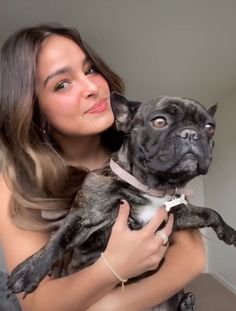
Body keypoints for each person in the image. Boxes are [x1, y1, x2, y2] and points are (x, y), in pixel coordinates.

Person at [0, 24, 205, 311]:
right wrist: (112, 267)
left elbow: (192, 257)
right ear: (35, 111)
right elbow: (37, 302)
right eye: (62, 84)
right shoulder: (14, 182)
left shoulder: (141, 144)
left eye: (90, 70)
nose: (91, 88)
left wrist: (110, 307)